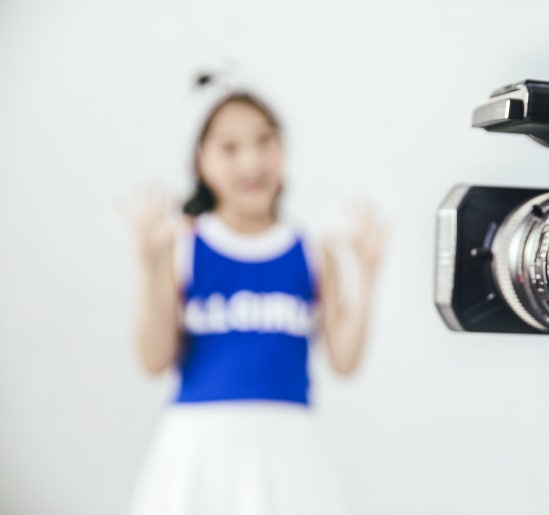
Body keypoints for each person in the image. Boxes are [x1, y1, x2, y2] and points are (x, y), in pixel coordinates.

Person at [126, 70, 383, 515]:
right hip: (198, 452)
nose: (251, 162)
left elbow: (344, 361)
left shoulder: (311, 252)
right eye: (229, 148)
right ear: (200, 161)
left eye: (265, 141)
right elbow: (153, 360)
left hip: (289, 453)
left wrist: (367, 276)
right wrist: (147, 269)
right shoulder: (184, 247)